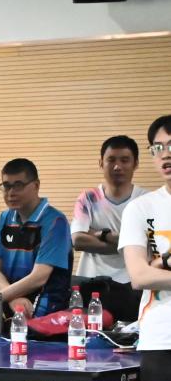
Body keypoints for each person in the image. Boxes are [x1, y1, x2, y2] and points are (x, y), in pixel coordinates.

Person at [120, 114, 171, 381]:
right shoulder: (141, 208)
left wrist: (160, 264)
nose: (165, 155)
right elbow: (139, 276)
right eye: (157, 148)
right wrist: (153, 267)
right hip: (161, 338)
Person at [72, 135, 147, 321]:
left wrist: (99, 234)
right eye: (111, 160)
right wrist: (125, 243)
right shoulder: (88, 198)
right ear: (101, 163)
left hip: (132, 286)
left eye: (125, 160)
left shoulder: (146, 201)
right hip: (91, 285)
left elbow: (148, 247)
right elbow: (77, 240)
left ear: (136, 164)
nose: (117, 166)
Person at [0, 158, 72, 317]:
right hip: (12, 302)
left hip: (46, 309)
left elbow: (39, 277)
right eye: (6, 186)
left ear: (36, 186)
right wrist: (11, 298)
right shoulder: (4, 218)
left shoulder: (55, 222)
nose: (11, 193)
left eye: (18, 185)